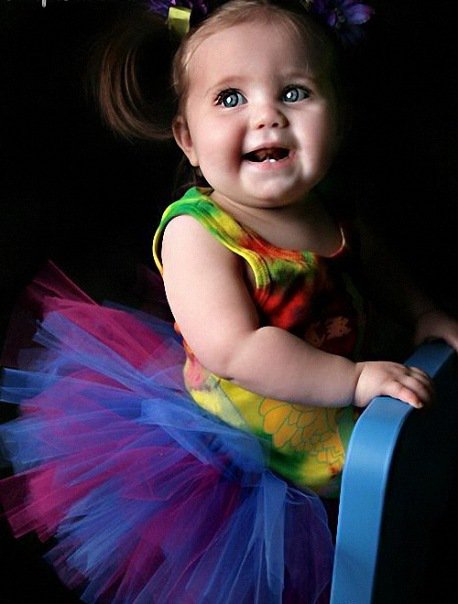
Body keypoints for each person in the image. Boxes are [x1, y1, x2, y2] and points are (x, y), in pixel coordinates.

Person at [1, 1, 457, 603]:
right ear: (188, 140)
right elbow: (235, 350)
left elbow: (376, 263)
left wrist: (422, 312)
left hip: (341, 413)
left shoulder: (328, 205)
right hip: (248, 454)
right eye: (231, 98)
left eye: (294, 93)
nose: (267, 115)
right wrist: (352, 380)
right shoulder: (199, 231)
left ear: (339, 119)